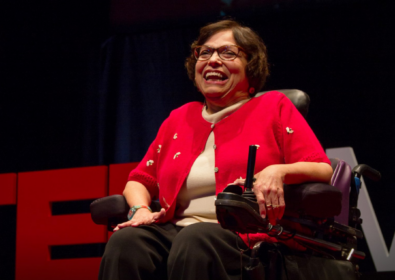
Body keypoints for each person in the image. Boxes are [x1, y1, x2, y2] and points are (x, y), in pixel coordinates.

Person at [99, 19, 333, 280]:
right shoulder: (179, 117)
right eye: (205, 52)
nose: (212, 60)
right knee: (126, 243)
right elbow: (139, 180)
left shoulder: (273, 107)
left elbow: (321, 168)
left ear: (251, 66)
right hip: (177, 230)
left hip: (247, 234)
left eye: (228, 52)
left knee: (195, 239)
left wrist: (277, 171)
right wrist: (140, 209)